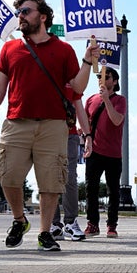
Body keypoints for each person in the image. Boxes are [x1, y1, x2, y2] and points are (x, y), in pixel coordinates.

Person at [0, 0, 98, 252]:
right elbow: (0, 86)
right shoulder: (10, 49)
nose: (20, 16)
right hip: (16, 122)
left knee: (51, 182)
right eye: (18, 12)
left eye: (25, 11)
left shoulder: (64, 50)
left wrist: (87, 60)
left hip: (53, 125)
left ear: (42, 17)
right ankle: (19, 220)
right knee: (8, 176)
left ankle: (45, 233)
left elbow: (77, 88)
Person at [83, 66, 127, 238]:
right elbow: (86, 123)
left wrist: (107, 100)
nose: (102, 80)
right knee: (91, 189)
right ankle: (92, 224)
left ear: (114, 81)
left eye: (106, 77)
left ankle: (111, 225)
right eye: (99, 77)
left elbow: (117, 121)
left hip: (114, 153)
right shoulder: (90, 100)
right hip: (94, 150)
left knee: (113, 191)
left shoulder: (120, 100)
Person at [50, 93, 87, 242]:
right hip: (48, 133)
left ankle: (70, 222)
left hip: (70, 134)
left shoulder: (71, 78)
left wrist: (87, 135)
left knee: (70, 177)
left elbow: (79, 104)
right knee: (50, 178)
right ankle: (54, 225)